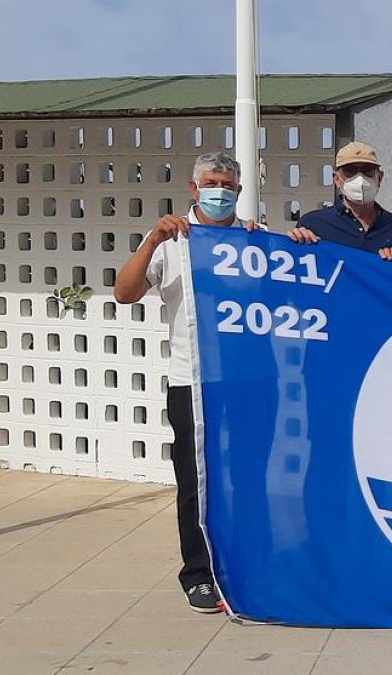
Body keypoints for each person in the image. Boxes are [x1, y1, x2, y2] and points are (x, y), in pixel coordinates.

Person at [112, 151, 262, 613]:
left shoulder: (255, 242)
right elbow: (124, 293)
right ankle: (198, 574)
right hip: (191, 382)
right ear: (194, 189)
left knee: (250, 479)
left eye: (228, 185)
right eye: (211, 183)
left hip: (249, 381)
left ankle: (247, 566)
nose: (220, 191)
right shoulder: (172, 239)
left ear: (239, 192)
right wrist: (152, 239)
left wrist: (293, 242)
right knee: (195, 482)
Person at [286, 141, 392, 259]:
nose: (359, 178)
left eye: (368, 170)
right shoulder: (313, 224)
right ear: (337, 179)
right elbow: (296, 274)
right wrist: (295, 244)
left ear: (380, 178)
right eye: (350, 171)